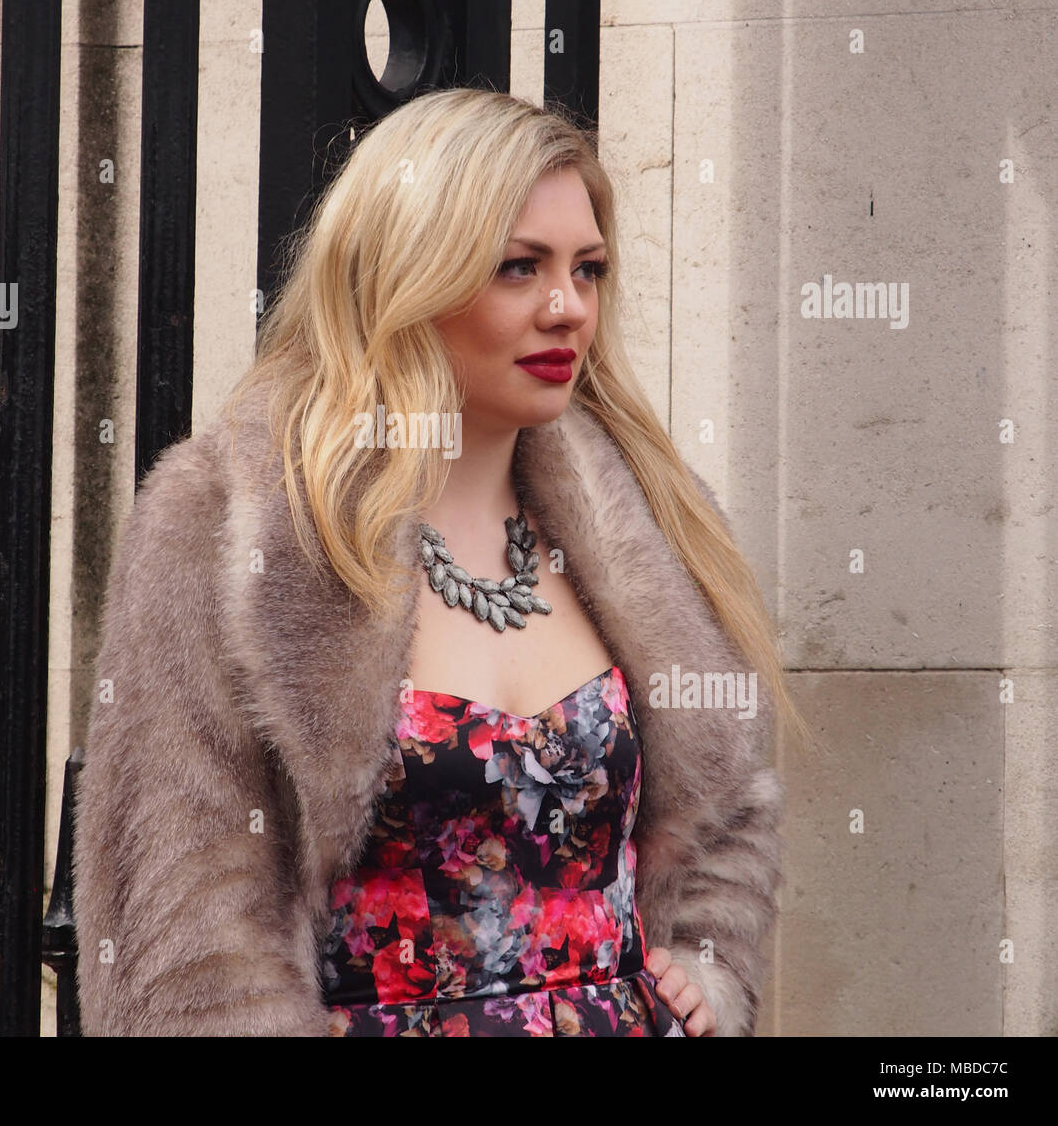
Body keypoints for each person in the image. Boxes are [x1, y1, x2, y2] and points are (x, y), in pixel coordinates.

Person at [73, 87, 801, 1037]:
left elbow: (731, 802)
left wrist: (710, 961)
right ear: (410, 273)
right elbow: (183, 903)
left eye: (588, 270)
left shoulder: (649, 515)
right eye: (517, 267)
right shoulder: (228, 524)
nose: (566, 307)